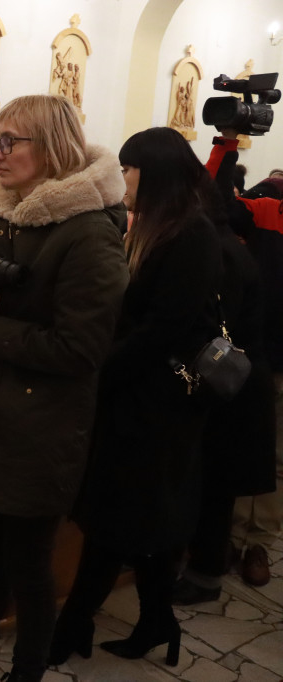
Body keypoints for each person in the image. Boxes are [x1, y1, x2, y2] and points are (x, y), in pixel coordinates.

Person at [0, 95, 129, 682]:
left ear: (52, 146)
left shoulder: (89, 234)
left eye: (9, 142)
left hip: (44, 424)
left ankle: (27, 672)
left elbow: (81, 350)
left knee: (30, 567)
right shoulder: (5, 216)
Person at [50, 127, 223, 670]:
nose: (121, 177)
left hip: (159, 403)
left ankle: (77, 622)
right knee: (131, 516)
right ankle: (153, 620)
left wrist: (98, 368)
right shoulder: (153, 225)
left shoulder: (191, 234)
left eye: (128, 168)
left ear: (155, 173)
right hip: (135, 395)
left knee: (123, 515)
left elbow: (163, 329)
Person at [172, 130, 277, 604]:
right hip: (244, 367)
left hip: (244, 372)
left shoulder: (224, 248)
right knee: (222, 471)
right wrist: (226, 143)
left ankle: (236, 556)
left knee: (240, 472)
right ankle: (215, 552)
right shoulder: (243, 226)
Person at [204, 132, 283, 589]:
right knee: (241, 446)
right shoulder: (268, 210)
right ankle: (231, 535)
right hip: (257, 356)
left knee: (280, 457)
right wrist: (227, 141)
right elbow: (213, 202)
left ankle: (259, 543)